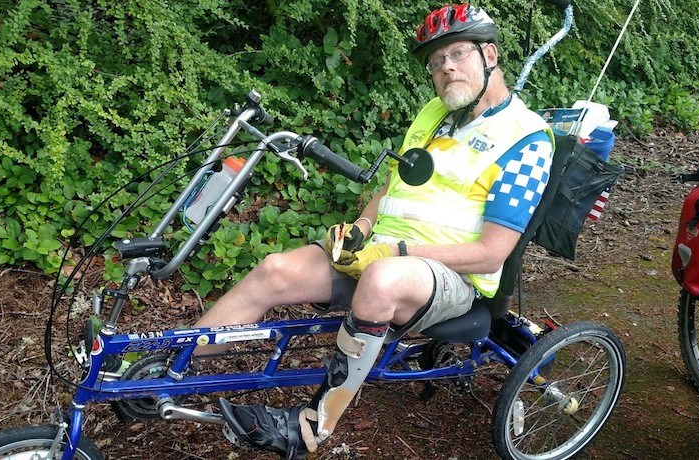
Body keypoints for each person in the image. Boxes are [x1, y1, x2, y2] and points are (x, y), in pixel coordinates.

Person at [197, 4, 555, 459]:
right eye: (436, 61)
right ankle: (166, 371)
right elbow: (393, 185)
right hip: (383, 253)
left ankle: (312, 427)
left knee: (383, 279)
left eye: (458, 53)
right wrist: (362, 228)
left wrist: (394, 252)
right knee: (275, 269)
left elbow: (490, 254)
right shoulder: (434, 112)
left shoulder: (525, 139)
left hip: (451, 278)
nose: (446, 68)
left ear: (490, 55)